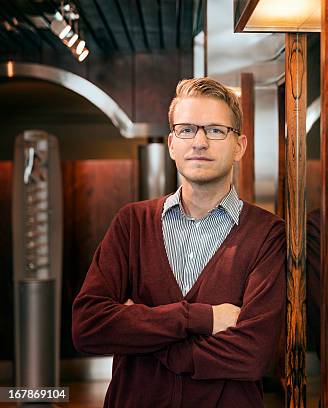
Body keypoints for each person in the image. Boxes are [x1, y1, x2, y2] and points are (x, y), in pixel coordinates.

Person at [72, 77, 286, 407]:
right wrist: (202, 319)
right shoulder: (132, 223)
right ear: (172, 144)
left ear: (239, 146)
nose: (199, 141)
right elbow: (88, 326)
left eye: (215, 130)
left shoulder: (267, 234)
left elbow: (254, 354)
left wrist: (142, 332)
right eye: (186, 129)